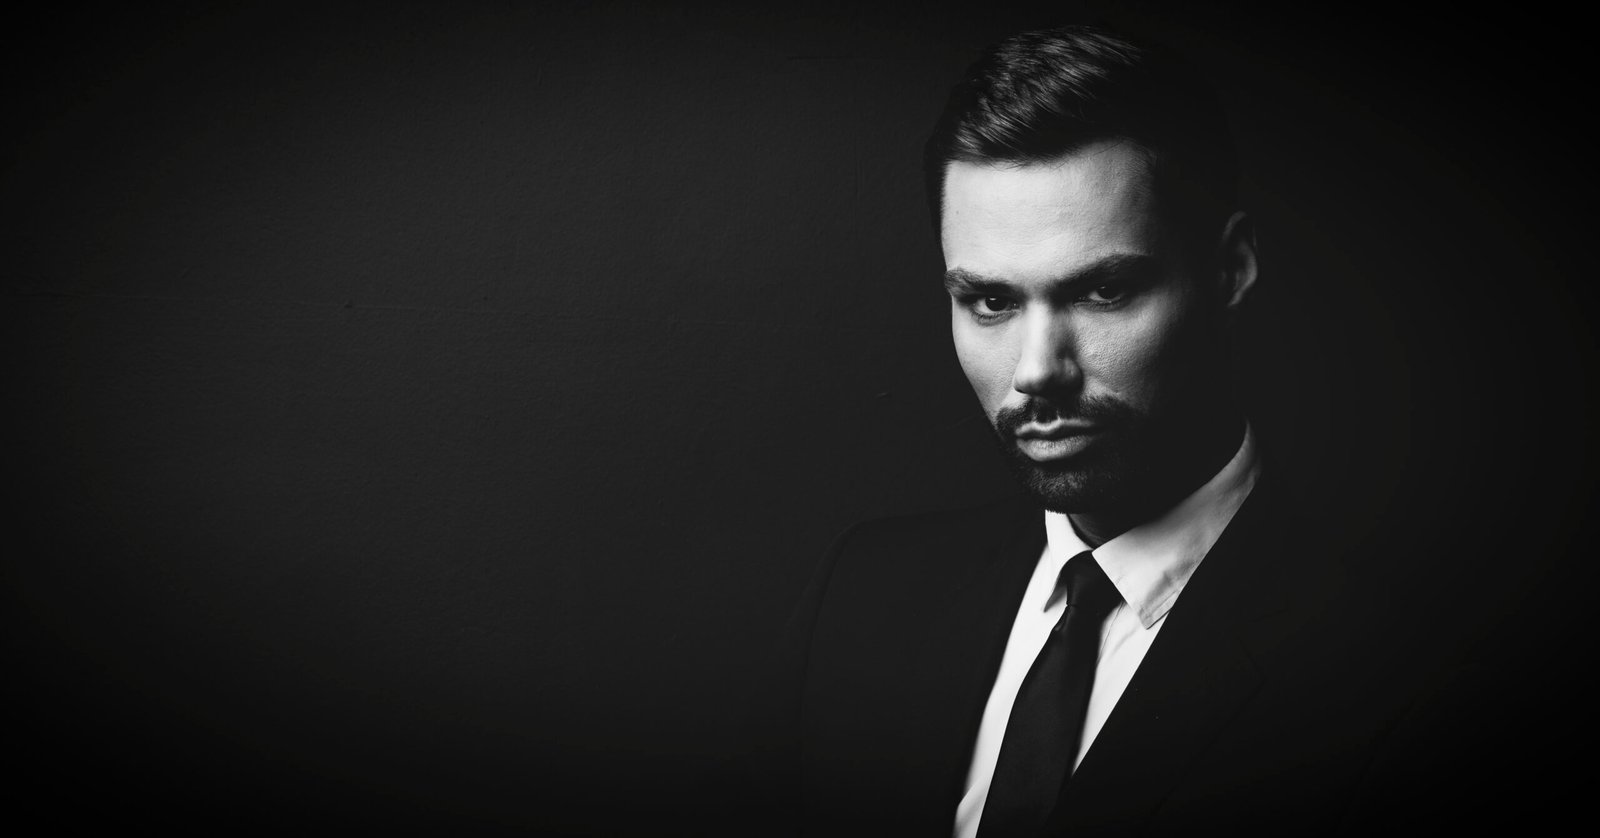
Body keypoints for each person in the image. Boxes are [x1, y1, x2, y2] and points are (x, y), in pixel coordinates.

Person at [723, 24, 1422, 837]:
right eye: (991, 301)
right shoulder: (863, 597)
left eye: (1104, 292)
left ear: (1229, 269)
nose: (1036, 369)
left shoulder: (1397, 688)